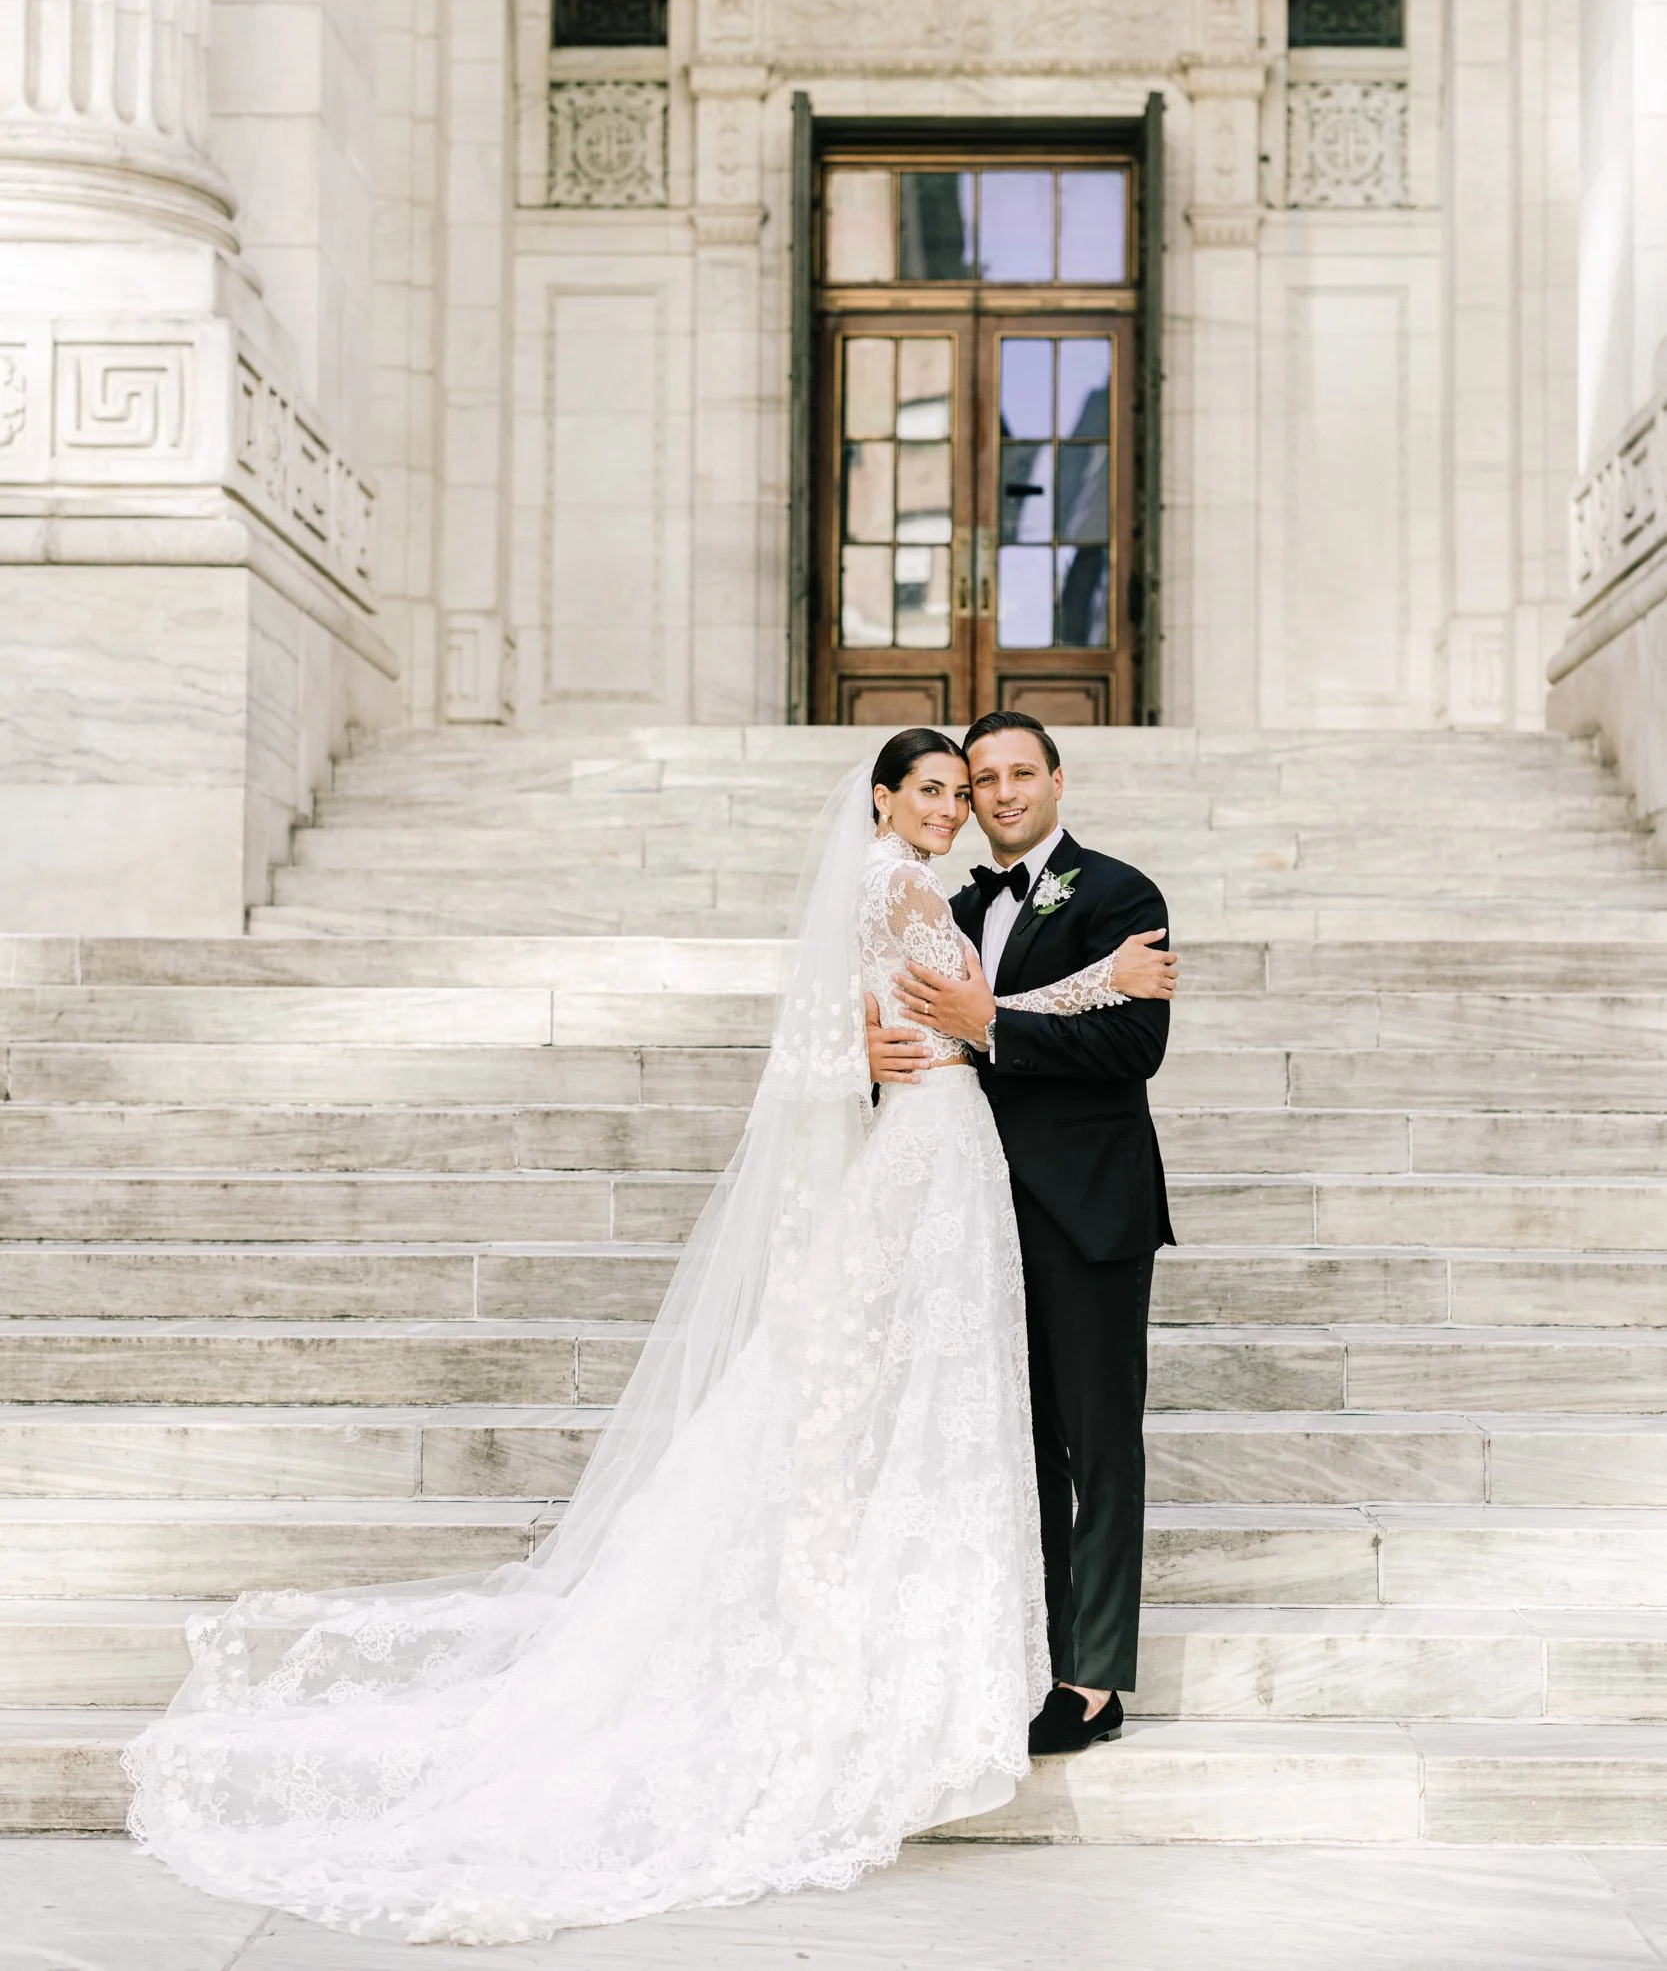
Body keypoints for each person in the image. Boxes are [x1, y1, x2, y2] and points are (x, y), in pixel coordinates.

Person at [122, 731, 1174, 1945]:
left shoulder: (1099, 892)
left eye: (987, 781)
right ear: (887, 799)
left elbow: (970, 1022)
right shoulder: (901, 881)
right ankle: (930, 1640)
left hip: (1025, 1190)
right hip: (939, 1165)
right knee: (926, 1405)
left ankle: (1066, 1670)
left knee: (1019, 1423)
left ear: (1049, 784)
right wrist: (1087, 984)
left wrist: (1024, 1008)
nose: (969, 801)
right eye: (944, 786)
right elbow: (957, 1015)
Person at [866, 712, 1176, 1756]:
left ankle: (1091, 1677)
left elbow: (1134, 1042)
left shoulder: (1119, 894)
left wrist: (985, 1021)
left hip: (1086, 1208)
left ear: (1055, 779)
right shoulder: (947, 903)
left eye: (1012, 775)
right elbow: (915, 1014)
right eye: (974, 780)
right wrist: (872, 1042)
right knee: (1015, 1443)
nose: (991, 795)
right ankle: (1029, 1650)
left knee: (1098, 1441)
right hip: (978, 1209)